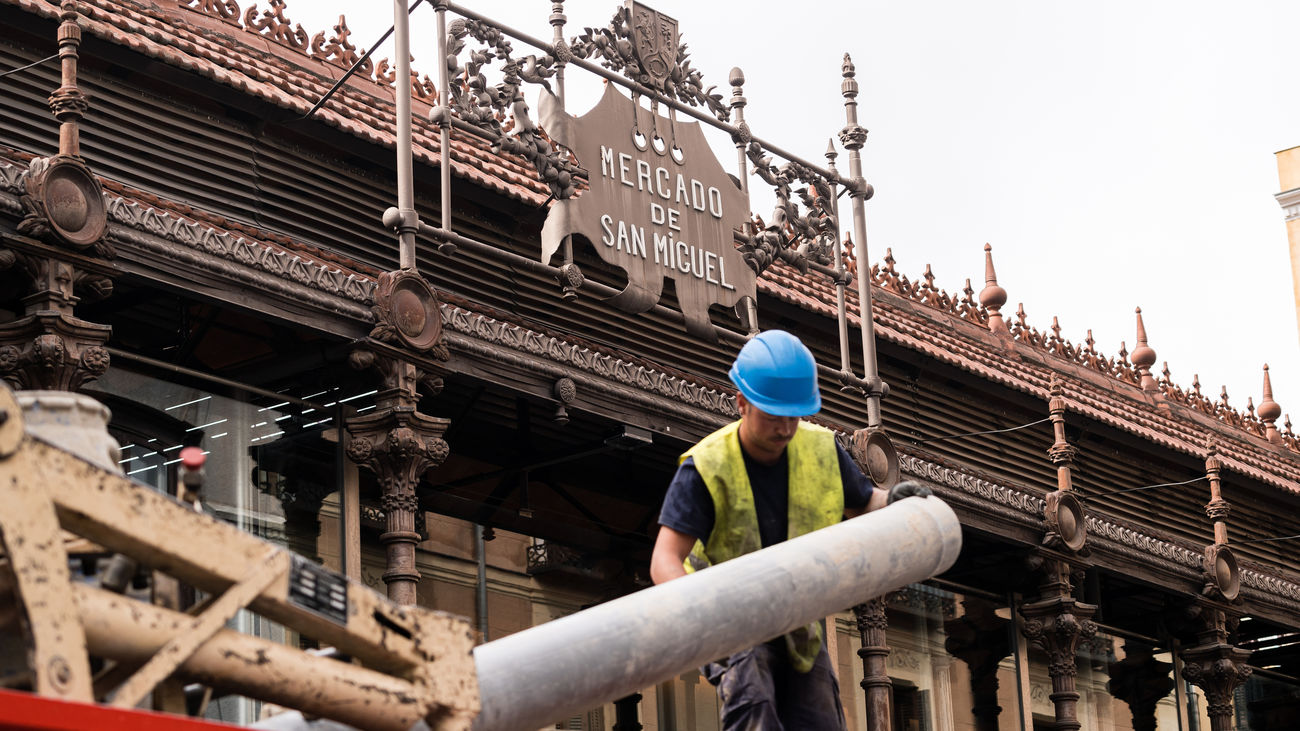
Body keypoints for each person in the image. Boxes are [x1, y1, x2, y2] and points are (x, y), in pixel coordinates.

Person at [650, 329, 931, 731]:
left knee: (820, 723)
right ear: (741, 403)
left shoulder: (819, 449)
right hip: (730, 619)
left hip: (796, 618)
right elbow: (664, 560)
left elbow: (863, 502)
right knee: (755, 703)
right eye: (773, 417)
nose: (784, 429)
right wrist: (701, 617)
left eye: (794, 417)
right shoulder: (706, 466)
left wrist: (892, 501)